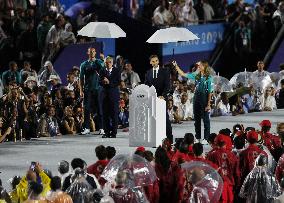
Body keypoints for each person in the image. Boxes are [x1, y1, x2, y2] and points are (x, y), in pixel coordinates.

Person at [174, 60, 213, 144]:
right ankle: (198, 137)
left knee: (206, 120)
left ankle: (206, 138)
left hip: (204, 98)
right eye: (198, 66)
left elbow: (210, 91)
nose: (198, 67)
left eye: (200, 65)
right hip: (196, 98)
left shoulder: (208, 77)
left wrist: (208, 104)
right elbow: (183, 74)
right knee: (197, 120)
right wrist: (176, 66)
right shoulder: (196, 75)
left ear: (205, 67)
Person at [145, 55, 173, 142]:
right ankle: (156, 138)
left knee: (165, 119)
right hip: (152, 99)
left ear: (158, 61)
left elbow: (167, 86)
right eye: (153, 61)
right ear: (150, 62)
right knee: (153, 120)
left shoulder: (165, 71)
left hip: (162, 99)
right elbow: (147, 85)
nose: (155, 63)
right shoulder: (148, 73)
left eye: (156, 61)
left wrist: (163, 95)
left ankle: (169, 139)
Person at [79, 47, 104, 135]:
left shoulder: (99, 62)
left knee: (99, 108)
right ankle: (87, 128)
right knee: (87, 109)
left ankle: (101, 128)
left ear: (95, 53)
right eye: (90, 52)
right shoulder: (83, 64)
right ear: (88, 53)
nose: (92, 53)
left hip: (98, 89)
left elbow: (104, 69)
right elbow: (81, 79)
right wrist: (81, 91)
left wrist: (101, 59)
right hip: (88, 90)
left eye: (93, 52)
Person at [99, 56, 120, 138]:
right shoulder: (102, 70)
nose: (108, 64)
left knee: (114, 114)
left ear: (112, 63)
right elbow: (99, 81)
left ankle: (114, 133)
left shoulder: (116, 70)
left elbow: (117, 81)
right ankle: (106, 132)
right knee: (105, 115)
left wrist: (109, 82)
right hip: (104, 96)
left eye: (109, 62)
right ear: (104, 63)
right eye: (106, 62)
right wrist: (104, 82)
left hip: (113, 96)